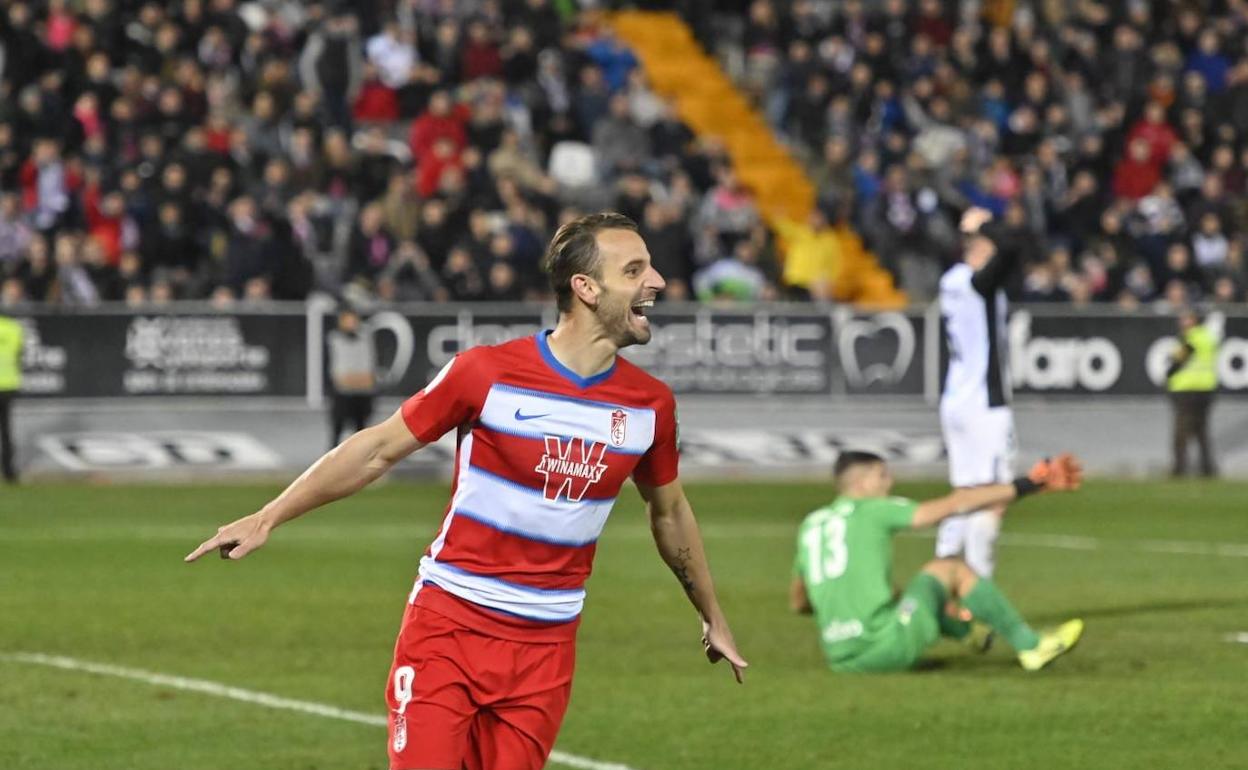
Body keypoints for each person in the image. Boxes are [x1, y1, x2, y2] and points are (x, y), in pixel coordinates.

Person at [185, 212, 748, 770]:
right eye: (635, 270)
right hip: (449, 628)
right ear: (586, 288)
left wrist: (712, 614)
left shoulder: (651, 405)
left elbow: (669, 512)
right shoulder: (485, 373)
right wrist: (269, 515)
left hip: (546, 650)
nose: (658, 282)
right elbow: (376, 448)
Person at [790, 450, 1085, 673]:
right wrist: (1028, 485)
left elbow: (799, 602)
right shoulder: (873, 509)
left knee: (904, 595)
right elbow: (955, 504)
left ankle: (971, 634)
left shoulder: (811, 525)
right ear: (862, 482)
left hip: (840, 657)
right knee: (948, 568)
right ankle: (1032, 647)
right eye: (883, 475)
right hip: (884, 648)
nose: (889, 482)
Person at [936, 207, 1024, 577]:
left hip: (955, 400)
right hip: (984, 404)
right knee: (992, 498)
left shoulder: (951, 280)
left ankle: (938, 579)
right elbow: (1013, 248)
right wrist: (983, 224)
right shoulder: (977, 283)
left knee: (963, 497)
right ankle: (980, 595)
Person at [1166, 308, 1219, 477]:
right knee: (1201, 431)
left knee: (1181, 432)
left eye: (1186, 318)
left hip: (1188, 390)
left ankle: (1179, 468)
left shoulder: (1191, 338)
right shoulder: (1208, 338)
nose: (1182, 322)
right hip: (1206, 390)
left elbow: (1179, 360)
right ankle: (1207, 468)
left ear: (1194, 320)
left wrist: (1169, 374)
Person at [326, 306, 378, 449]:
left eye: (352, 320)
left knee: (361, 433)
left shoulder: (366, 337)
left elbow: (369, 376)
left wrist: (354, 380)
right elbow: (339, 377)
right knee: (337, 430)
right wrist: (355, 380)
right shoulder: (334, 339)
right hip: (342, 396)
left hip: (362, 396)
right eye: (347, 320)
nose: (350, 323)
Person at [0, 311, 21, 483]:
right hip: (8, 384)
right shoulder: (13, 328)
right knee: (6, 430)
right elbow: (18, 353)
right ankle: (9, 472)